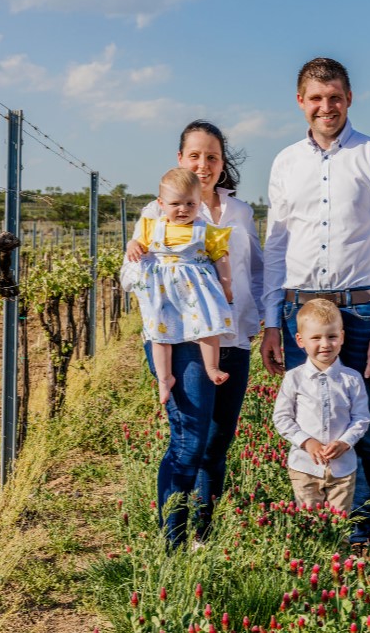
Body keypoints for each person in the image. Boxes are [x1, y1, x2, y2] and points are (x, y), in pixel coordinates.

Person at [261, 57, 370, 548]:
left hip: (362, 310)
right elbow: (276, 246)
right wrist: (270, 322)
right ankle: (317, 523)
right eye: (315, 98)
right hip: (300, 309)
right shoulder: (285, 162)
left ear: (349, 98)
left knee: (362, 418)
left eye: (334, 97)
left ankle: (362, 527)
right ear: (301, 102)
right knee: (306, 416)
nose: (325, 106)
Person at [126, 120, 264, 546]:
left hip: (233, 337)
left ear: (223, 164)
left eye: (212, 157)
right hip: (182, 339)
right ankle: (173, 535)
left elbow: (255, 270)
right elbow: (129, 273)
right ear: (180, 159)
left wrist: (260, 316)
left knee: (218, 441)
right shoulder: (158, 211)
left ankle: (203, 530)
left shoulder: (239, 212)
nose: (203, 165)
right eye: (195, 156)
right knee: (189, 438)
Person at [124, 168, 234, 404]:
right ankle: (165, 379)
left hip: (196, 290)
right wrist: (132, 244)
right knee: (160, 335)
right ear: (161, 204)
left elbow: (221, 257)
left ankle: (212, 367)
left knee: (208, 328)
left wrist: (226, 283)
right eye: (176, 204)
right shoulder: (151, 226)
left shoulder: (207, 231)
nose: (183, 209)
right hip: (163, 292)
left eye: (190, 204)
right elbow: (137, 242)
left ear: (199, 202)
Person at [273, 300, 370, 512]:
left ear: (342, 337)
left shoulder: (352, 379)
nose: (325, 344)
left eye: (332, 336)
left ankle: (341, 546)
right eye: (316, 338)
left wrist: (345, 442)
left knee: (339, 525)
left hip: (343, 467)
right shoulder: (294, 378)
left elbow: (362, 418)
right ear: (300, 340)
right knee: (309, 525)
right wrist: (306, 442)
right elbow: (282, 418)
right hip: (304, 466)